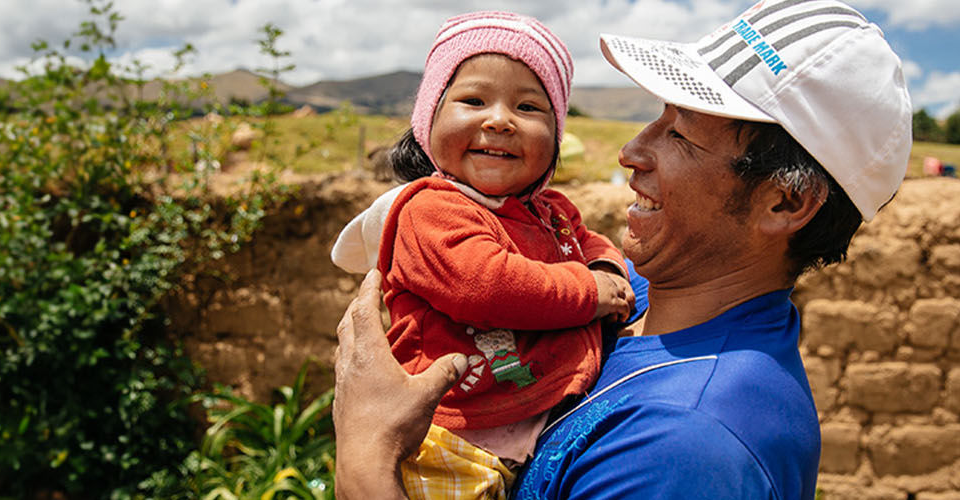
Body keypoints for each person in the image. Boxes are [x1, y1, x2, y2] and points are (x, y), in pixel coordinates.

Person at [333, 1, 910, 498]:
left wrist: (365, 461)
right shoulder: (640, 300)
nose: (632, 151)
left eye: (680, 134)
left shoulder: (682, 451)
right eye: (656, 118)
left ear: (784, 203)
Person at [326, 11, 634, 499]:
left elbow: (587, 242)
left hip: (516, 423)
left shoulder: (549, 210)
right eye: (473, 100)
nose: (499, 120)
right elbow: (486, 284)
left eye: (530, 108)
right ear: (428, 119)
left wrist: (604, 268)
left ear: (556, 136)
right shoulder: (430, 211)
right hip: (449, 436)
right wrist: (591, 292)